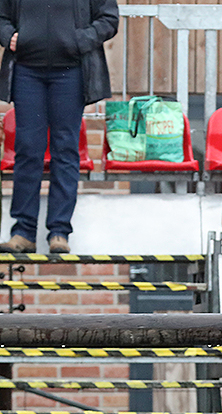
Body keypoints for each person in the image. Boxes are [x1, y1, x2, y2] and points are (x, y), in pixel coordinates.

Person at [0, 0, 119, 254]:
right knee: (27, 150)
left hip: (71, 72)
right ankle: (23, 232)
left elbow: (109, 19)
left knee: (65, 151)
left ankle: (59, 231)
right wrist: (8, 36)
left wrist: (80, 40)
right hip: (26, 72)